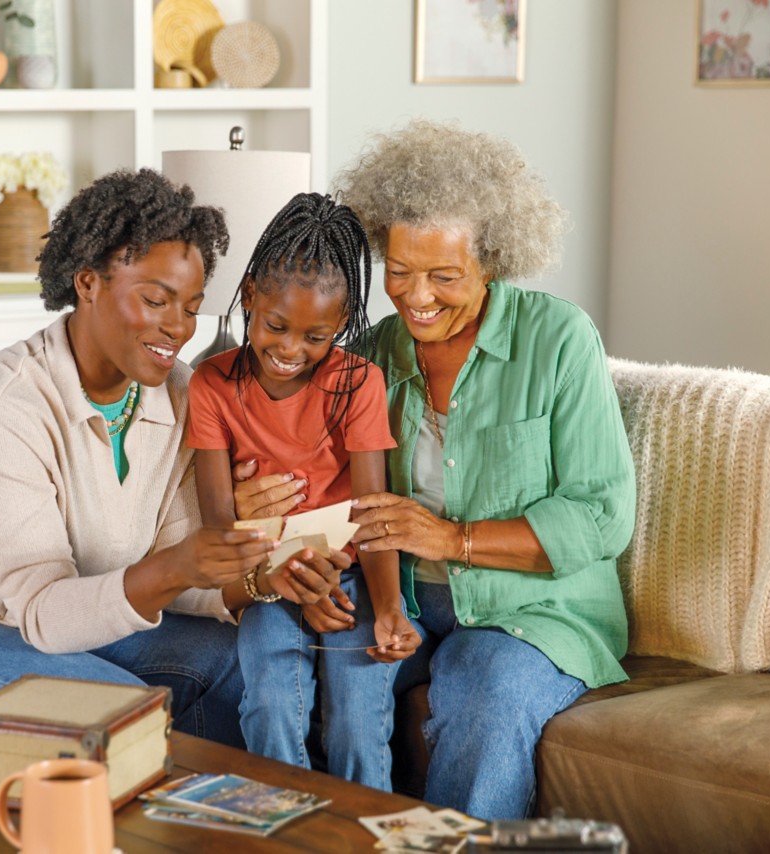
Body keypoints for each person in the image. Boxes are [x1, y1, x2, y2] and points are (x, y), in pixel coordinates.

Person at [0, 168, 345, 770]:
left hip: (50, 625)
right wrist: (181, 562)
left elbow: (185, 572)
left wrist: (254, 576)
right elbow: (48, 611)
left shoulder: (181, 396)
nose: (178, 328)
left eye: (191, 307)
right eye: (155, 300)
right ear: (88, 282)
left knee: (251, 663)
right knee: (117, 714)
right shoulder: (6, 405)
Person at [233, 120, 637, 819]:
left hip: (533, 610)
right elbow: (322, 475)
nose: (416, 296)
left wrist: (453, 540)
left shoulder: (559, 340)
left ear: (494, 261)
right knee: (276, 644)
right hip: (402, 593)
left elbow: (602, 515)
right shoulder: (372, 352)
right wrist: (261, 506)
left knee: (483, 688)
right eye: (399, 271)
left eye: (444, 276)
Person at [187, 192, 418, 791]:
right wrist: (285, 575)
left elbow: (372, 515)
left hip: (352, 579)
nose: (291, 350)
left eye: (315, 336)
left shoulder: (357, 383)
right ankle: (285, 833)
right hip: (266, 580)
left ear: (341, 324)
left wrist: (390, 609)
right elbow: (219, 523)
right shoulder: (211, 386)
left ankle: (362, 835)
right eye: (276, 326)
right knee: (268, 709)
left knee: (359, 724)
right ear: (248, 300)